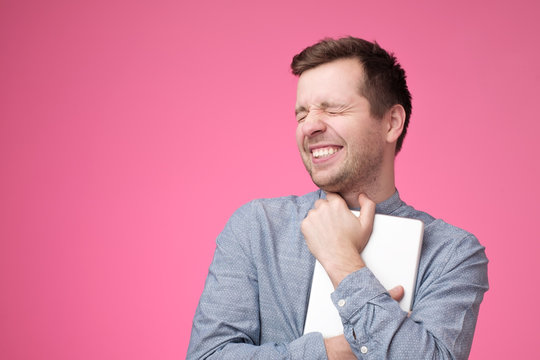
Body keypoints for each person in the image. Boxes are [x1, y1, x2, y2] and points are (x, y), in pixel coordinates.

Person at [187, 37, 489, 359]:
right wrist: (333, 352)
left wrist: (342, 261)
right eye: (301, 115)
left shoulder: (452, 253)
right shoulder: (256, 228)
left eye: (333, 108)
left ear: (391, 122)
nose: (310, 126)